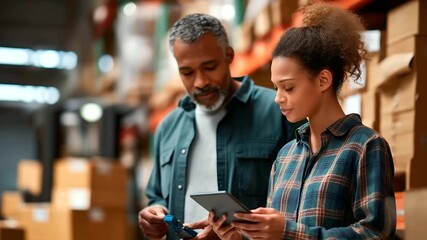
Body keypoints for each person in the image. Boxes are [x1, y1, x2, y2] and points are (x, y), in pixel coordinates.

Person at [209, 3, 396, 240]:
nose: (278, 98)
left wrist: (288, 232)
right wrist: (239, 235)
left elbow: (375, 233)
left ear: (323, 80)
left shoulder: (365, 146)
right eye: (276, 87)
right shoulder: (286, 155)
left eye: (288, 87)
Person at [138, 13, 303, 240]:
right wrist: (153, 215)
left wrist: (237, 233)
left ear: (228, 56)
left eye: (209, 67)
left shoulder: (279, 113)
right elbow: (156, 196)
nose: (200, 82)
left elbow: (302, 206)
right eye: (187, 72)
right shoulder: (168, 128)